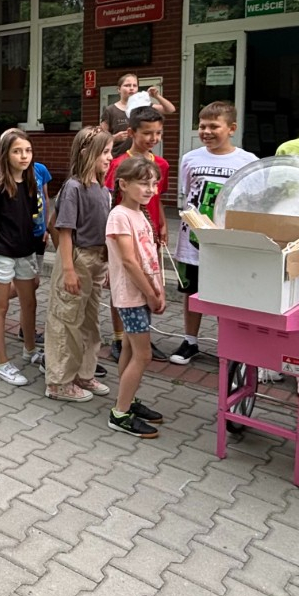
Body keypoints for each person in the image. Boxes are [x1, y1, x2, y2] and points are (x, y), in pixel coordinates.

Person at [170, 101, 257, 364]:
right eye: (202, 126)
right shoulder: (190, 159)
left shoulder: (247, 161)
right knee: (191, 293)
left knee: (225, 294)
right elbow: (188, 192)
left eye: (214, 126)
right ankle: (190, 340)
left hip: (226, 243)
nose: (206, 132)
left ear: (231, 128)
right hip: (192, 242)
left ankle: (229, 346)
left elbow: (250, 201)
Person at [45, 127, 115, 403]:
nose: (110, 158)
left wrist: (106, 263)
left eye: (110, 152)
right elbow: (64, 231)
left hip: (96, 260)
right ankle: (59, 382)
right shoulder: (74, 187)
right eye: (105, 152)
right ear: (87, 153)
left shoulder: (103, 189)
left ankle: (83, 373)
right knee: (66, 321)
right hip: (77, 258)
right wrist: (69, 270)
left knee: (89, 321)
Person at [0, 128, 45, 385]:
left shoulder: (31, 182)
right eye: (17, 151)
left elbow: (33, 215)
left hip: (25, 251)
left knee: (29, 301)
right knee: (1, 306)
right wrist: (4, 229)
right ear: (6, 155)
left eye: (27, 150)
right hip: (1, 253)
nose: (24, 156)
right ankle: (2, 362)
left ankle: (30, 349)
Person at [107, 156, 169, 437]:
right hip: (131, 296)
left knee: (131, 350)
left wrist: (159, 289)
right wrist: (150, 293)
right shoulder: (119, 215)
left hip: (142, 293)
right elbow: (129, 262)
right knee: (143, 355)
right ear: (123, 184)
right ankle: (120, 414)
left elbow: (150, 257)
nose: (150, 190)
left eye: (154, 184)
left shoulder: (140, 213)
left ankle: (127, 400)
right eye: (144, 184)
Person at [104, 107, 171, 363]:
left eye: (158, 133)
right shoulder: (119, 164)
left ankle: (141, 335)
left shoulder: (161, 164)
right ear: (132, 132)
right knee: (123, 285)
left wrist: (162, 224)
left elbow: (158, 198)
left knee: (147, 277)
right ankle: (119, 337)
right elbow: (111, 200)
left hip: (148, 230)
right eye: (147, 133)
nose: (153, 138)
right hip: (125, 232)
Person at [101, 74, 176, 158]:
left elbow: (170, 109)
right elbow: (100, 137)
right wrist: (114, 138)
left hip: (142, 157)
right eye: (127, 85)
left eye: (135, 85)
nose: (131, 88)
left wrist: (157, 96)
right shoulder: (110, 110)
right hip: (118, 157)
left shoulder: (143, 106)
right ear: (119, 89)